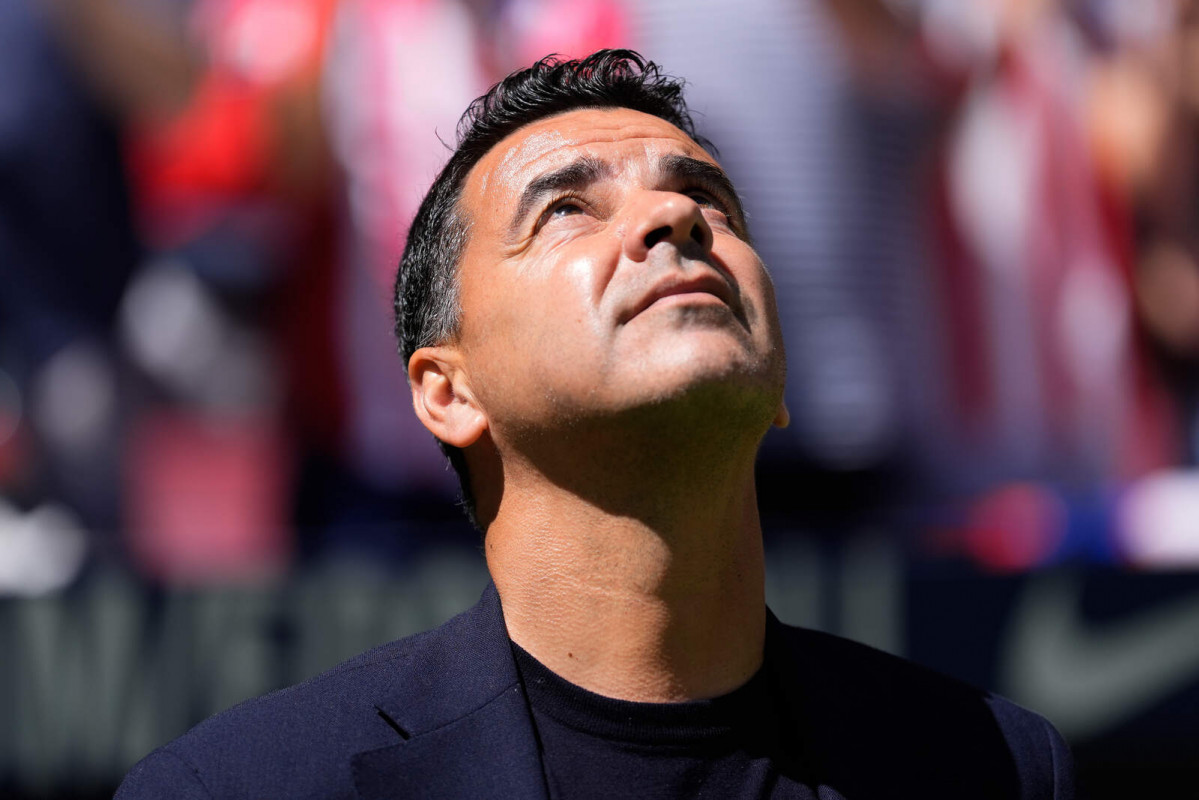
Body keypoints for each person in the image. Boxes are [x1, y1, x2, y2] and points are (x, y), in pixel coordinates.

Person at [115, 50, 1074, 799]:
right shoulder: (243, 787)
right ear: (448, 393)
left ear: (780, 382)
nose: (673, 219)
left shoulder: (990, 768)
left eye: (705, 199)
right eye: (568, 207)